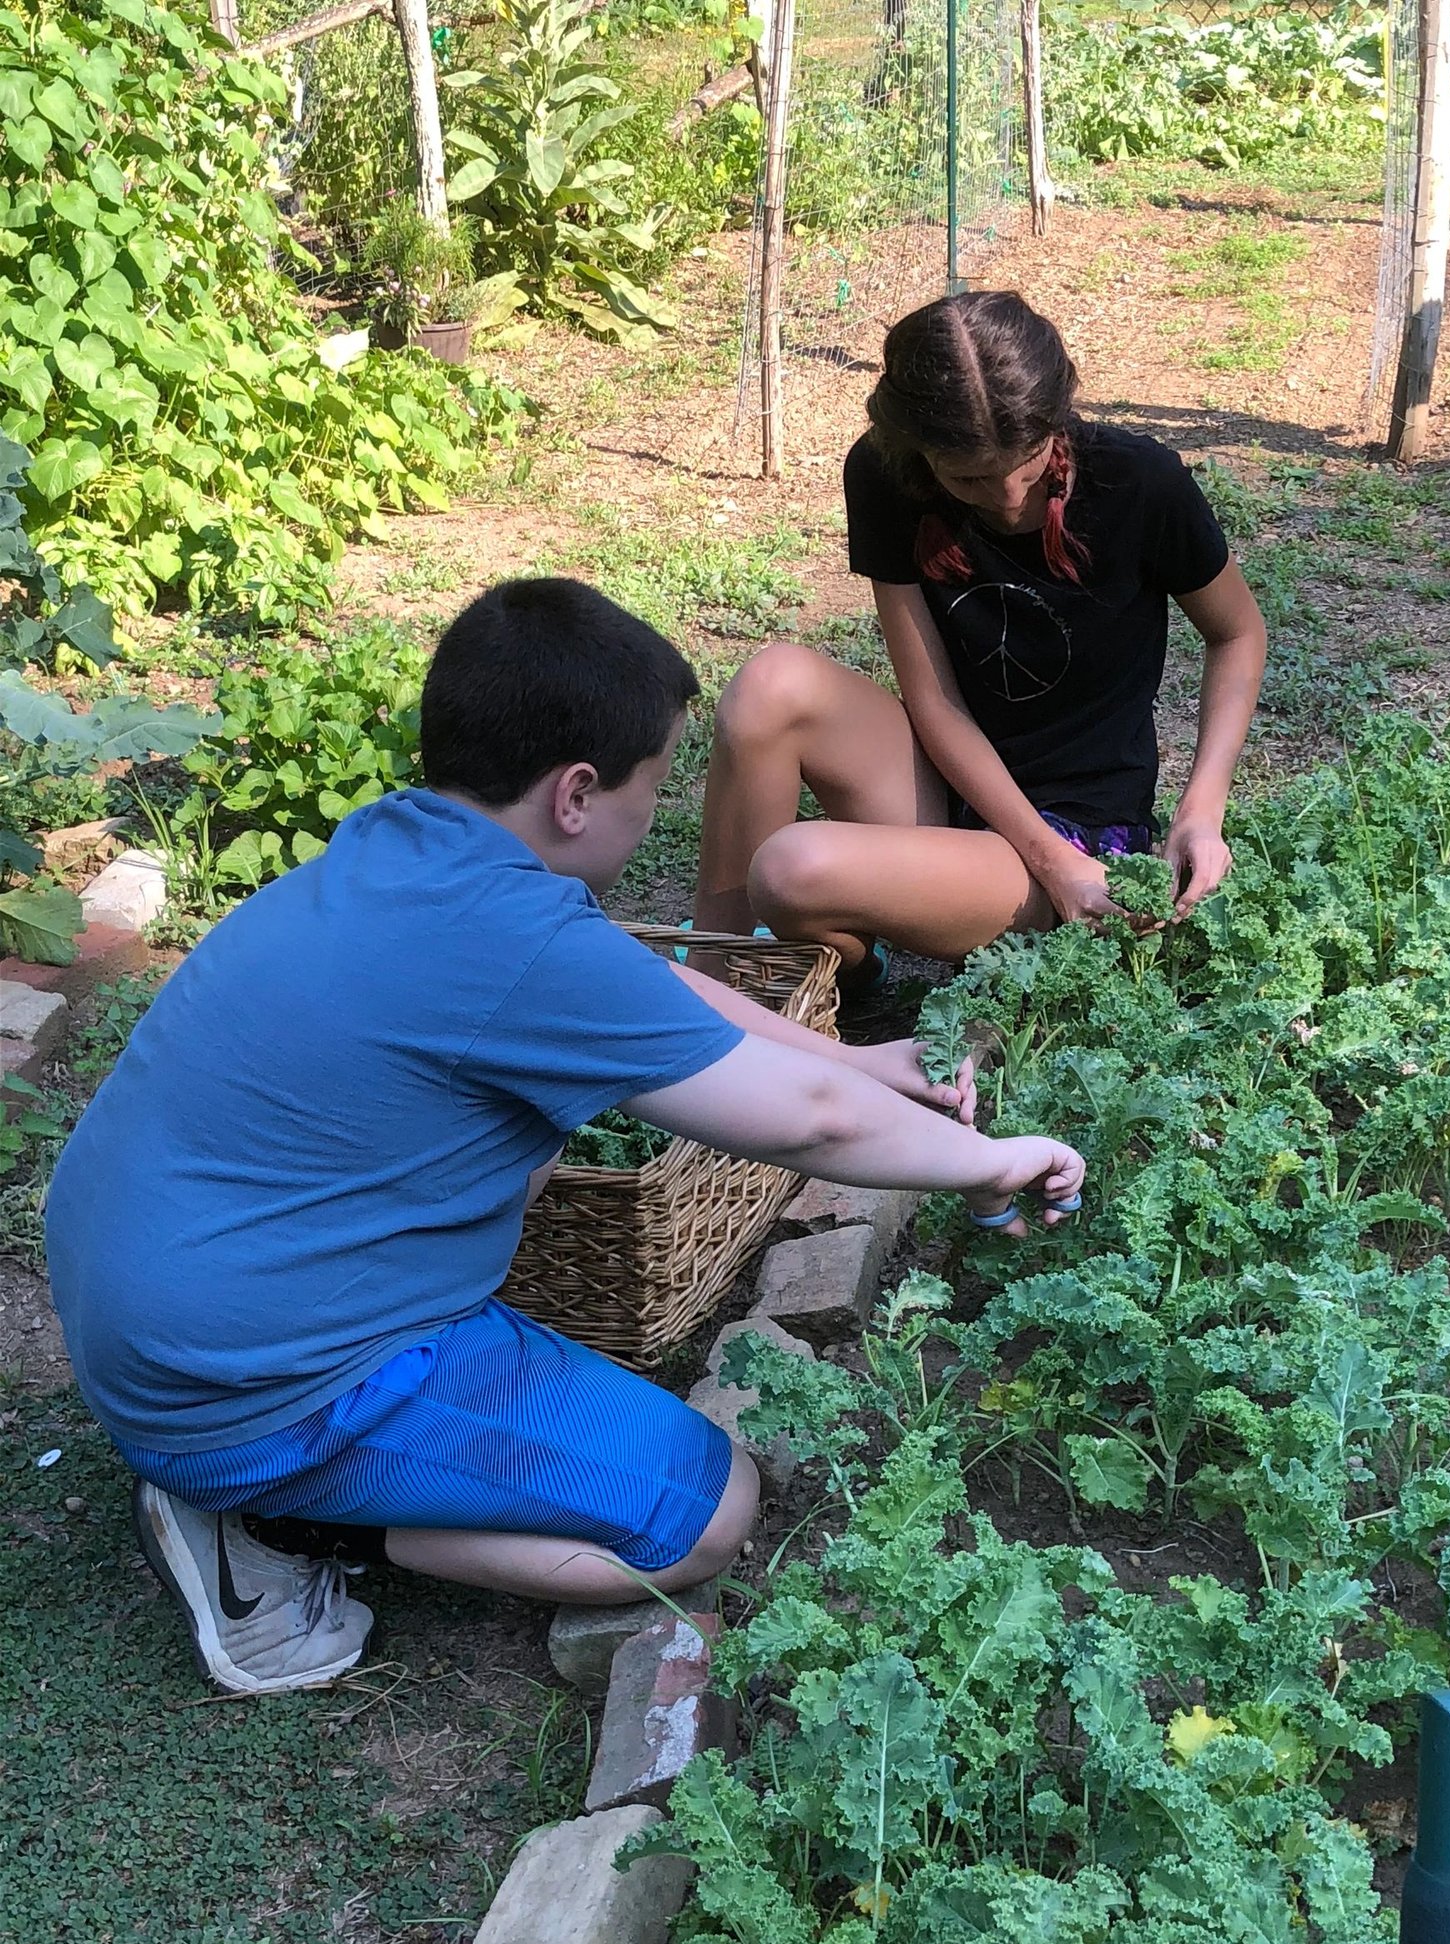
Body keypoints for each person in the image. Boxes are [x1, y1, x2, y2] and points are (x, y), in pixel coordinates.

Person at [44, 578, 1085, 1697]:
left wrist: (857, 1058)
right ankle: (276, 1527)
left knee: (523, 1136)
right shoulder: (515, 941)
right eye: (654, 788)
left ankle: (266, 1467)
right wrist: (991, 1162)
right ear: (577, 794)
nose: (657, 814)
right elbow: (814, 1131)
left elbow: (647, 986)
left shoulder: (414, 848)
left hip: (149, 1301)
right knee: (700, 1514)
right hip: (254, 1385)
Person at [693, 289, 1268, 974]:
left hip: (1081, 836)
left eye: (1028, 470)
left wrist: (1201, 807)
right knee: (768, 686)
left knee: (789, 870)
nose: (1008, 501)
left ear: (1057, 419)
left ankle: (805, 963)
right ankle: (714, 980)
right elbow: (933, 700)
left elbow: (1237, 633)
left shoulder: (1137, 480)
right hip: (947, 786)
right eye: (969, 479)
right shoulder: (885, 475)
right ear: (918, 452)